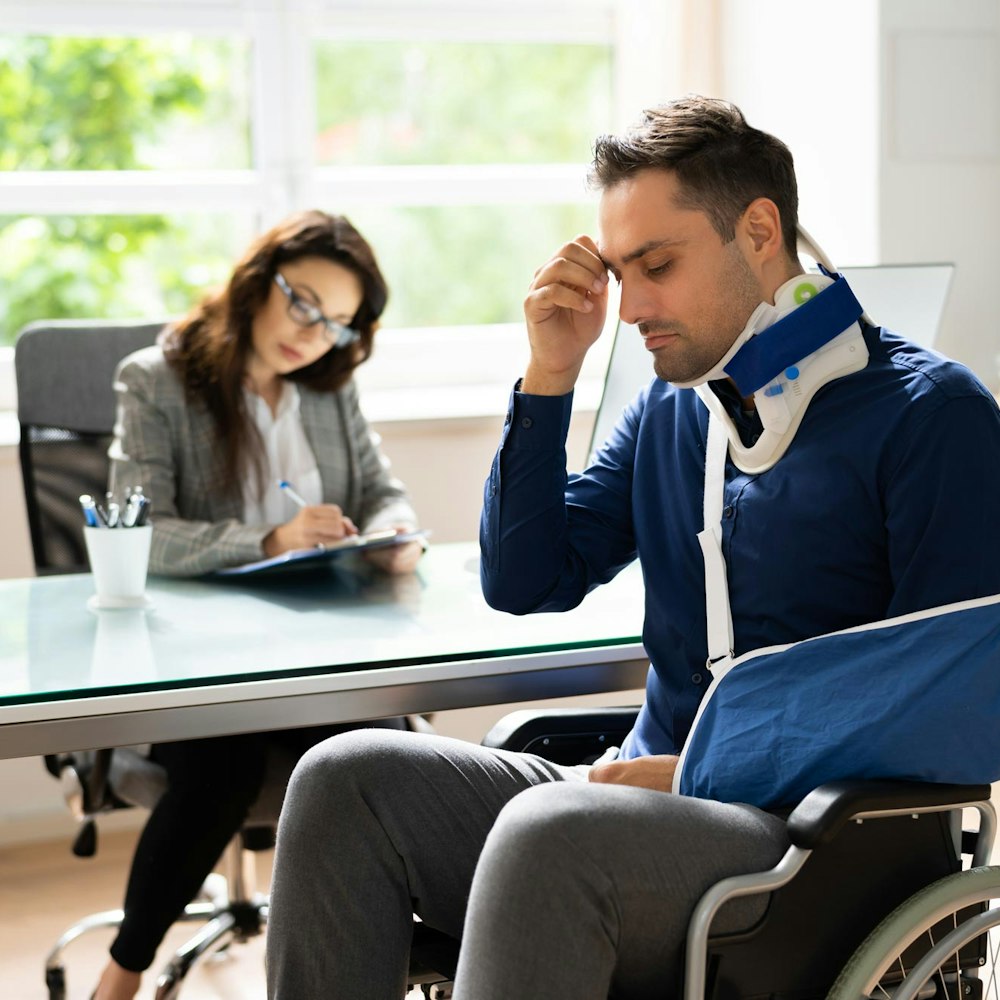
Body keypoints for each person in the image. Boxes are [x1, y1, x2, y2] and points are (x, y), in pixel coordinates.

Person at [264, 99, 1000, 999]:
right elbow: (528, 578)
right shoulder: (673, 406)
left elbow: (956, 701)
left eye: (658, 265)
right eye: (621, 273)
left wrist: (699, 769)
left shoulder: (933, 417)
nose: (633, 308)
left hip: (818, 849)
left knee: (552, 832)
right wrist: (550, 377)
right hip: (631, 808)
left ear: (760, 231)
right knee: (346, 778)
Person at [94, 210, 424, 1000]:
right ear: (258, 282)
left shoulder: (328, 392)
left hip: (308, 650)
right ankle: (123, 973)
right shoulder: (156, 380)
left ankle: (382, 964)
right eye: (304, 303)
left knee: (392, 750)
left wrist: (390, 532)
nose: (313, 335)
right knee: (223, 762)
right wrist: (269, 541)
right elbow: (141, 530)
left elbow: (382, 492)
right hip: (194, 656)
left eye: (338, 324)